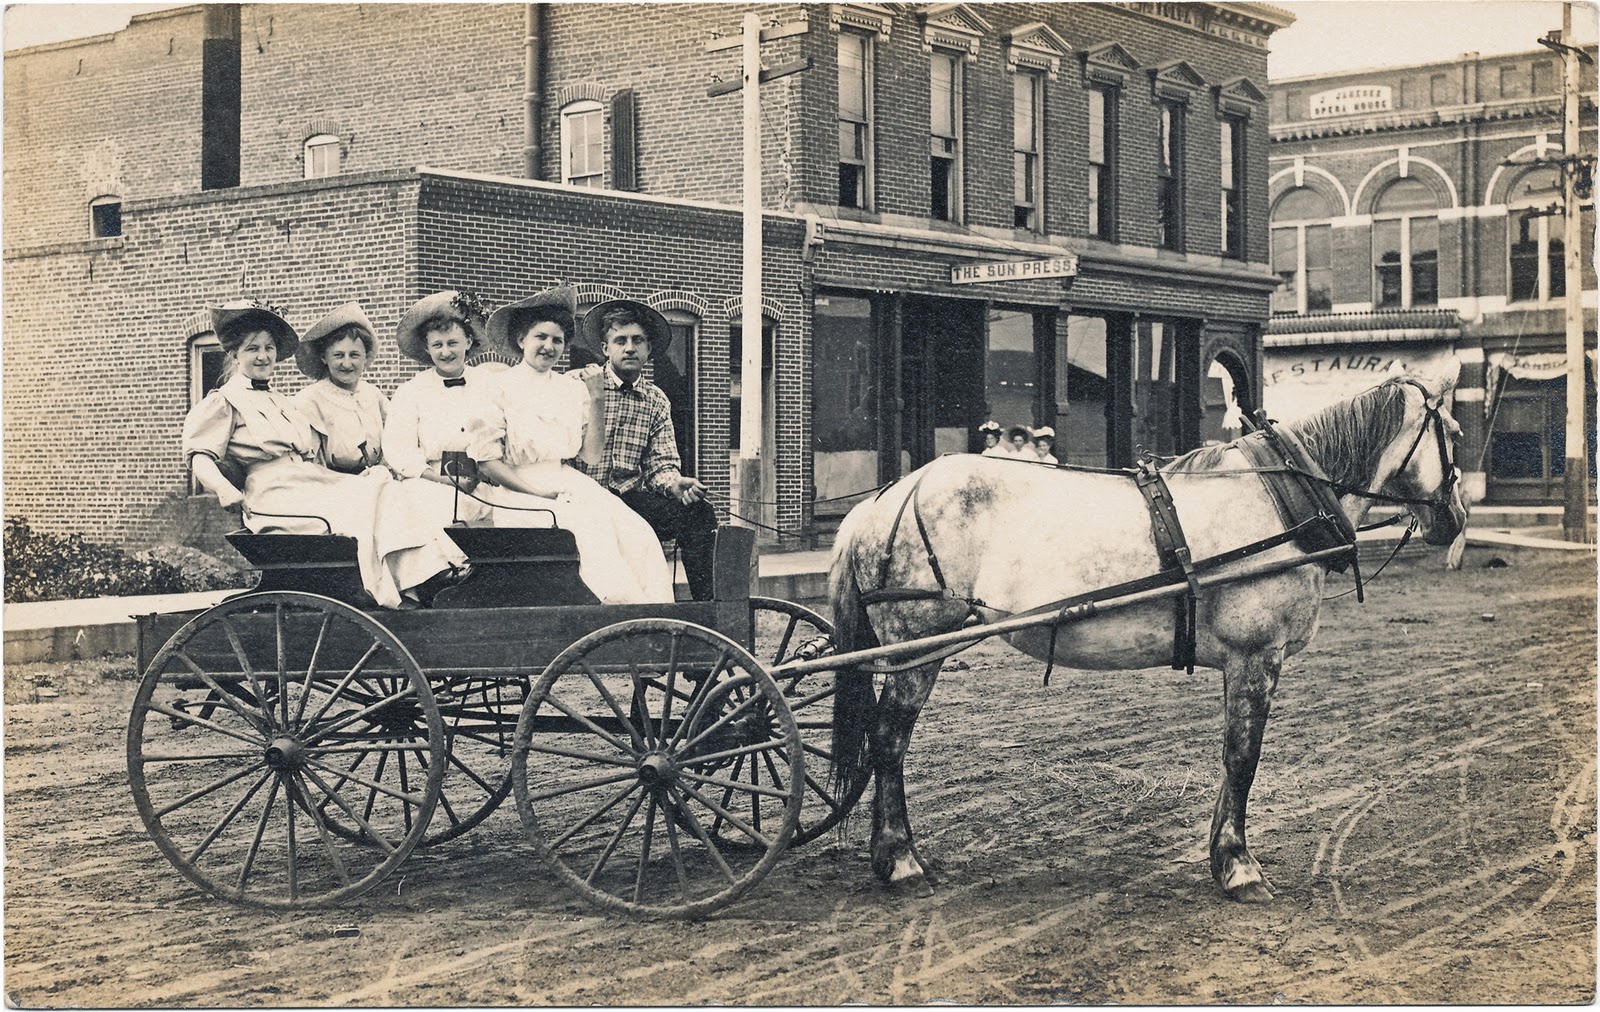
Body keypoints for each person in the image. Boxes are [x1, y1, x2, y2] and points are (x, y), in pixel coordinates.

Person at [182, 300, 466, 608]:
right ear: (235, 354)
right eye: (253, 349)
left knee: (383, 485)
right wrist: (224, 489)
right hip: (274, 493)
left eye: (269, 348)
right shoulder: (224, 401)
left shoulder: (280, 400)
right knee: (370, 495)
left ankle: (419, 576)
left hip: (307, 480)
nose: (263, 356)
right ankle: (393, 587)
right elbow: (200, 456)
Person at [470, 286, 673, 604]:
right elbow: (487, 463)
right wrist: (539, 493)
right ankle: (617, 613)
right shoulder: (497, 386)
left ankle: (656, 614)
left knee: (637, 531)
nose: (548, 346)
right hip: (517, 490)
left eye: (557, 340)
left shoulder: (572, 388)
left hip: (568, 482)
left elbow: (590, 456)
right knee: (593, 531)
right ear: (522, 339)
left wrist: (596, 398)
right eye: (541, 337)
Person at [576, 299, 719, 601]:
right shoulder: (579, 386)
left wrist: (676, 484)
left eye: (637, 340)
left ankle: (707, 610)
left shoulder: (656, 400)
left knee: (699, 514)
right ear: (605, 348)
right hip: (581, 499)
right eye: (620, 340)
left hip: (628, 499)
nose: (629, 348)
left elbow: (661, 465)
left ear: (649, 349)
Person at [383, 290, 493, 526]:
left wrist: (487, 471)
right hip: (431, 482)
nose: (446, 352)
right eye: (437, 345)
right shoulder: (410, 392)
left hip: (487, 479)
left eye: (453, 343)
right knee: (439, 519)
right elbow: (399, 450)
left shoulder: (491, 384)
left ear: (469, 342)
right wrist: (444, 481)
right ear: (427, 348)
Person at [292, 302, 386, 475]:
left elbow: (393, 441)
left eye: (355, 355)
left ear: (365, 357)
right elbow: (311, 465)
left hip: (379, 478)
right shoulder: (309, 401)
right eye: (338, 355)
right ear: (323, 357)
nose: (347, 363)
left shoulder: (373, 395)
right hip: (332, 483)